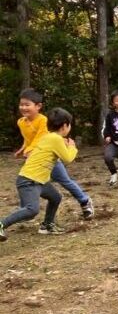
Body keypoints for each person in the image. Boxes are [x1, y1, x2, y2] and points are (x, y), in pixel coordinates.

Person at [14, 88, 94, 220]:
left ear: (38, 106)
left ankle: (84, 201)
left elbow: (41, 138)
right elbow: (28, 139)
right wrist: (23, 148)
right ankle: (26, 211)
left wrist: (29, 151)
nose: (23, 107)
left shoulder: (43, 120)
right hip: (36, 157)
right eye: (21, 104)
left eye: (27, 105)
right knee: (31, 182)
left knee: (64, 180)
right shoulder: (21, 122)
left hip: (49, 157)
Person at [0, 108, 79, 241]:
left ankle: (47, 225)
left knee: (55, 197)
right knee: (32, 210)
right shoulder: (55, 139)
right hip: (29, 180)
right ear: (65, 126)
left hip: (39, 180)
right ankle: (2, 223)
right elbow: (67, 158)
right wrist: (72, 147)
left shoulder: (49, 137)